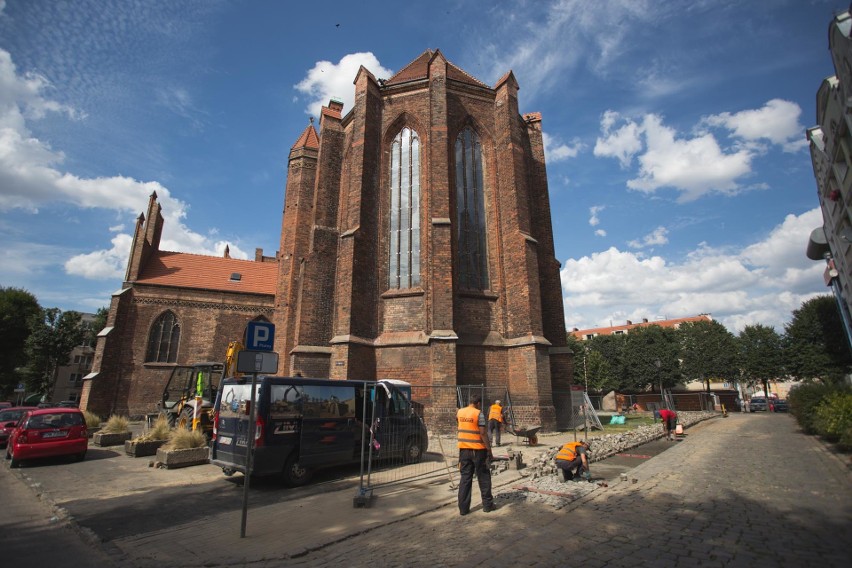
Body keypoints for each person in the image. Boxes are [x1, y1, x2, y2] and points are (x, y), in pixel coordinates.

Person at [457, 394, 495, 515]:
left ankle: (463, 509)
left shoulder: (460, 412)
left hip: (464, 450)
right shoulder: (479, 413)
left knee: (465, 479)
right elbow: (483, 433)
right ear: (478, 403)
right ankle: (487, 505)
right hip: (478, 450)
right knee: (483, 477)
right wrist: (489, 450)